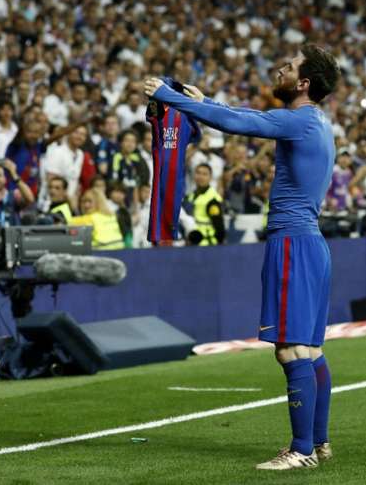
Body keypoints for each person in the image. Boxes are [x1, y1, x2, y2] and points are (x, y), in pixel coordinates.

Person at [144, 43, 340, 470]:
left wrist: (168, 96)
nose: (280, 70)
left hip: (292, 243)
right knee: (311, 349)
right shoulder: (318, 122)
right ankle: (319, 443)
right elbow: (245, 115)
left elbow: (240, 122)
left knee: (290, 350)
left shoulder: (300, 120)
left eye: (289, 68)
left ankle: (301, 450)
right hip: (312, 244)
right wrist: (204, 102)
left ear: (303, 83)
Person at [184, 163, 224, 246]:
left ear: (210, 178)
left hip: (207, 244)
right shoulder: (190, 196)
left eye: (205, 174)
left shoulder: (213, 199)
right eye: (198, 173)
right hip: (191, 242)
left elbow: (219, 227)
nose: (200, 177)